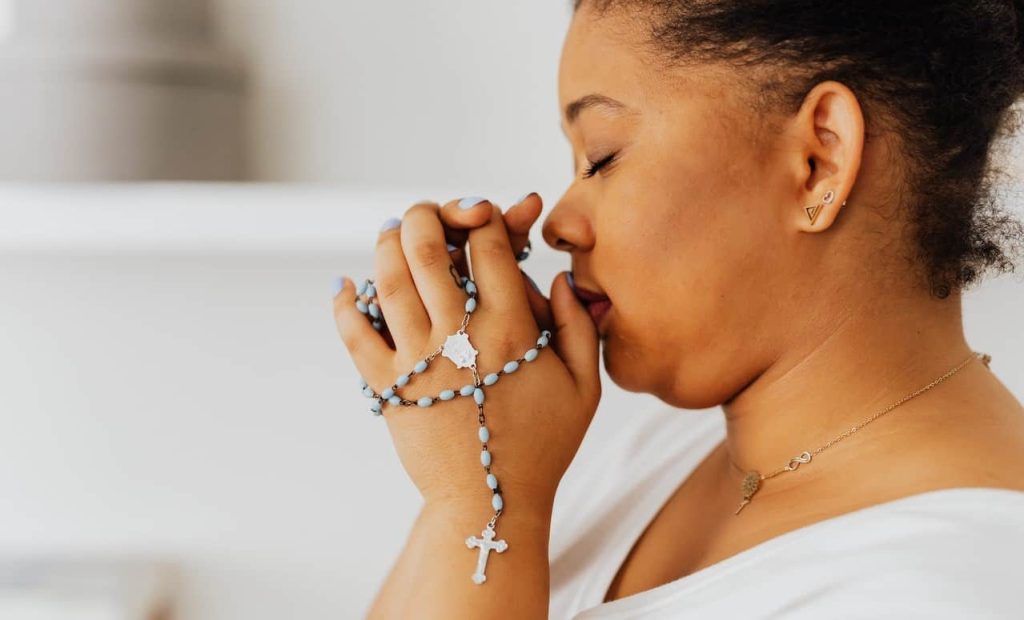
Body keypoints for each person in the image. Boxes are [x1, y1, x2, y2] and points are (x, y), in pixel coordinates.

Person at [332, 0, 1024, 617]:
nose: (558, 223)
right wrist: (475, 455)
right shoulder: (648, 458)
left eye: (600, 157)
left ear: (819, 161)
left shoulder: (941, 589)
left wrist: (482, 502)